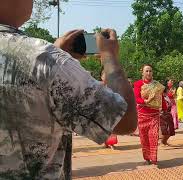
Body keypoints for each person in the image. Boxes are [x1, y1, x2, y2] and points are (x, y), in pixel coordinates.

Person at [0, 1, 137, 179]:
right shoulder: (45, 60)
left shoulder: (47, 60)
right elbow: (125, 121)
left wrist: (56, 56)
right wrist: (109, 57)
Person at [134, 64, 166, 165]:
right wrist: (145, 101)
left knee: (154, 136)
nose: (149, 73)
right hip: (142, 115)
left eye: (150, 71)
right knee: (144, 139)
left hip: (154, 115)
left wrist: (165, 109)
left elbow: (161, 98)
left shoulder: (157, 85)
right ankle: (147, 158)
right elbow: (136, 98)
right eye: (146, 71)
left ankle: (154, 158)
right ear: (142, 72)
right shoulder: (138, 84)